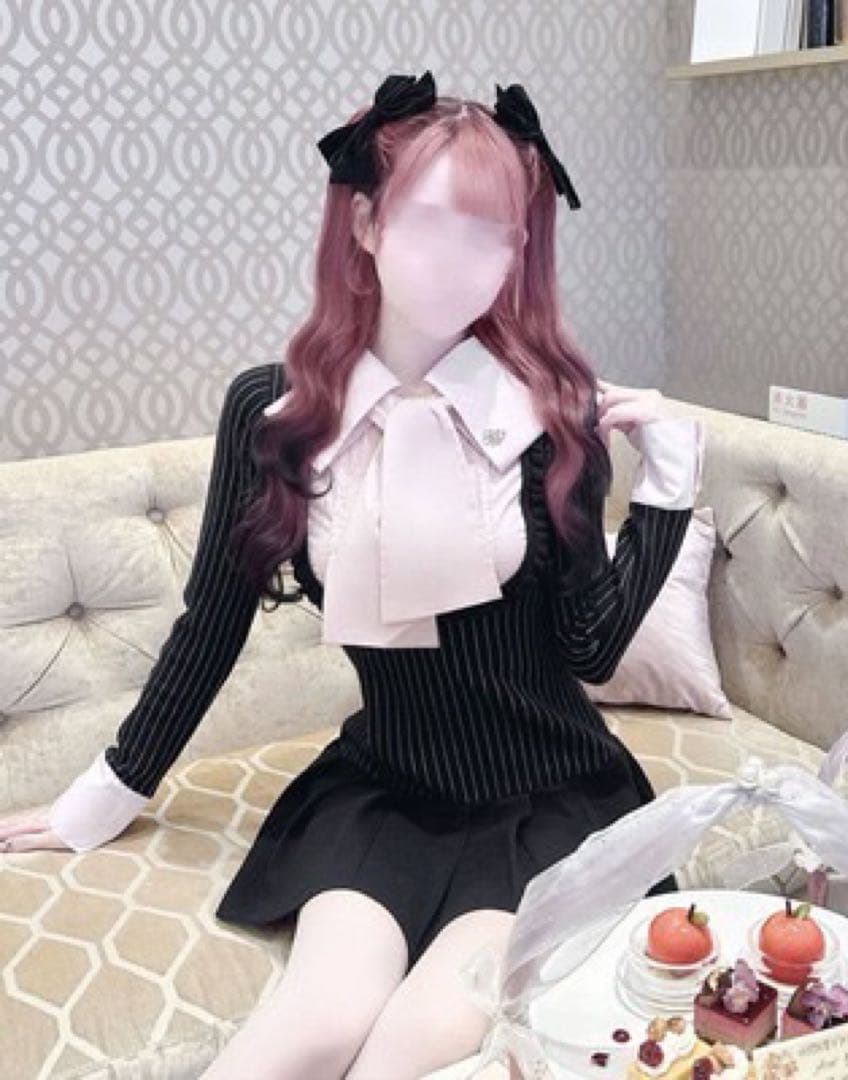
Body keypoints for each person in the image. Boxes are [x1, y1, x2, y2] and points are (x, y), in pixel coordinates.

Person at [0, 72, 704, 1079]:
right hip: (385, 787)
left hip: (549, 798)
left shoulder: (549, 410)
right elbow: (213, 623)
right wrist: (109, 791)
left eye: (494, 233)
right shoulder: (275, 413)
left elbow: (590, 647)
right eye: (432, 221)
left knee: (410, 1047)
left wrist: (668, 494)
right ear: (366, 223)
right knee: (312, 1026)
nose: (463, 259)